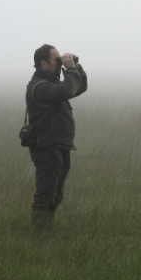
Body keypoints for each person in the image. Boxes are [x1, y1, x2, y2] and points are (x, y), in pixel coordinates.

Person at [26, 44, 88, 233]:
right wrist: (69, 70)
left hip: (60, 145)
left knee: (56, 195)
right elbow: (68, 90)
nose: (60, 64)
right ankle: (39, 237)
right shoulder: (39, 87)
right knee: (45, 195)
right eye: (57, 60)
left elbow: (79, 87)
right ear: (44, 63)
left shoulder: (51, 85)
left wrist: (76, 67)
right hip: (46, 147)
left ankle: (45, 230)